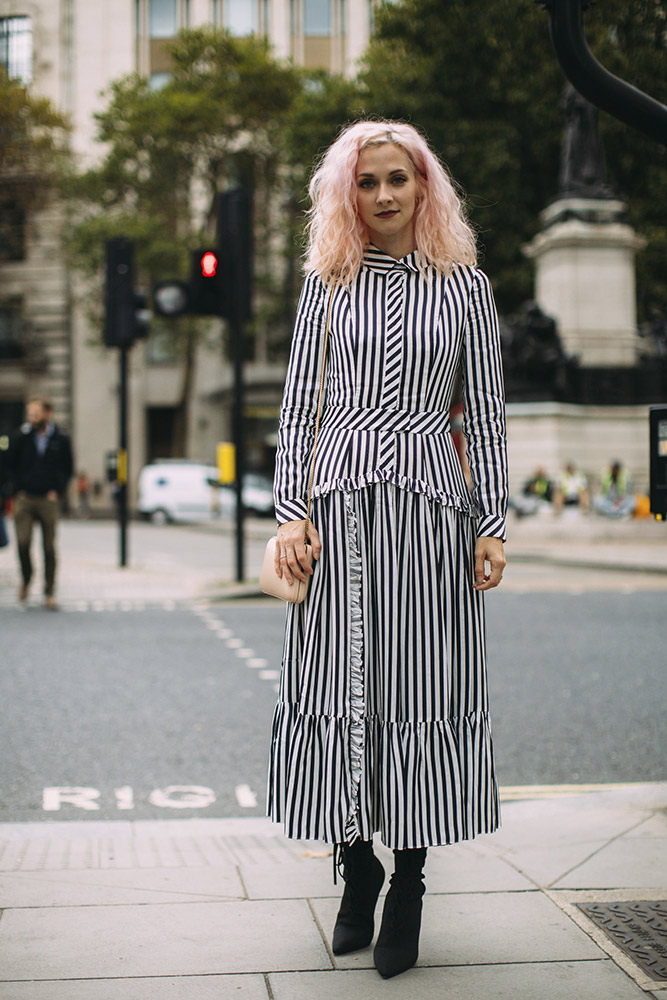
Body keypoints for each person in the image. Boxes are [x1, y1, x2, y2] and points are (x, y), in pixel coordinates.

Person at [269, 121, 508, 979]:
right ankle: (353, 861)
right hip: (336, 511)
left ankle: (406, 879)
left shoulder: (466, 290)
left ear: (422, 185)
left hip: (429, 516)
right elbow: (299, 411)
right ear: (348, 193)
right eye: (366, 182)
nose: (381, 196)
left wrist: (492, 522)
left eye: (395, 179)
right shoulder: (326, 286)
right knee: (341, 684)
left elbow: (480, 417)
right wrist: (292, 512)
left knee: (419, 683)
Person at [5, 396, 73, 607]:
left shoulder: (60, 439)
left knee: (49, 547)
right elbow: (8, 464)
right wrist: (16, 490)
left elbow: (67, 467)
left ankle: (49, 591)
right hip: (25, 498)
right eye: (30, 413)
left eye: (36, 413)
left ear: (48, 413)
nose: (32, 417)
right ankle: (27, 579)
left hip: (48, 498)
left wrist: (58, 491)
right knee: (23, 543)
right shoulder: (20, 437)